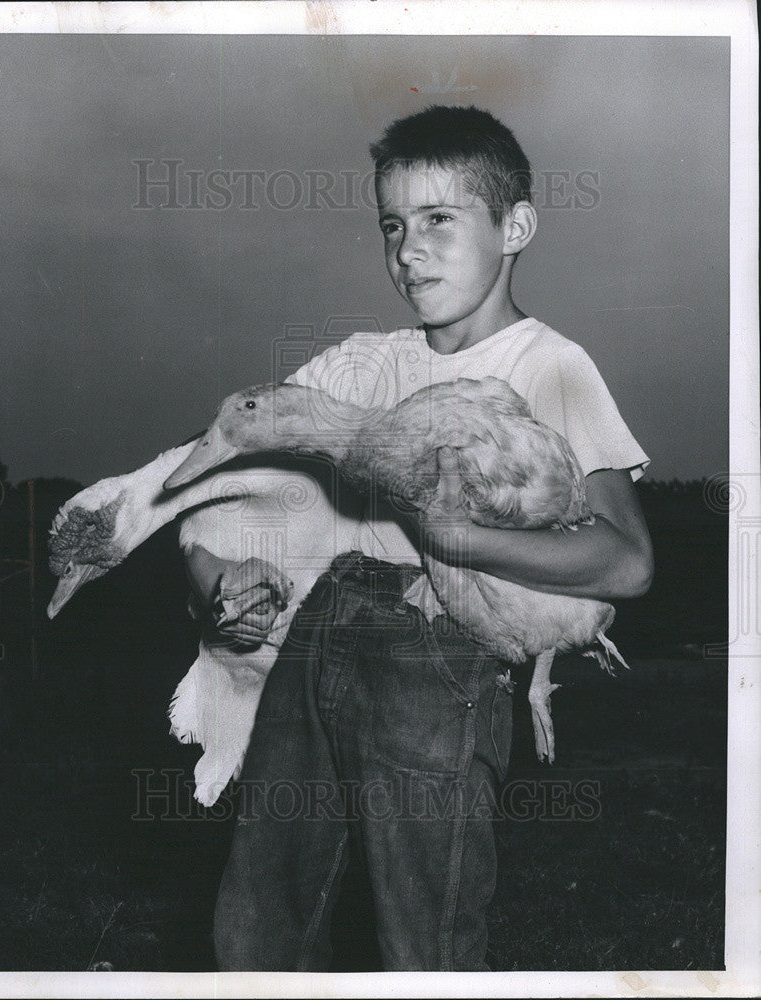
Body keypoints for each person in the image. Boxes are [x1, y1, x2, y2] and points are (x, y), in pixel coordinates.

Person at [185, 105, 654, 971]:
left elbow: (627, 561)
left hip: (437, 661)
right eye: (393, 225)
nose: (408, 249)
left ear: (516, 226)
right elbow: (224, 488)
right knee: (258, 927)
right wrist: (218, 584)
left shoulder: (551, 367)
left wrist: (458, 541)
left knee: (422, 936)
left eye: (440, 220)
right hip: (318, 638)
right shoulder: (361, 365)